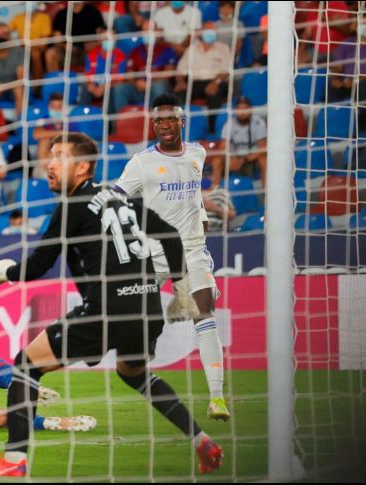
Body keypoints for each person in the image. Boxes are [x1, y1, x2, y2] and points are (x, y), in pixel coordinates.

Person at [0, 132, 222, 477]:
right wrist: (179, 286)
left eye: (59, 158)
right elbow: (170, 235)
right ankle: (201, 440)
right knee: (135, 374)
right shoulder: (118, 197)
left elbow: (37, 267)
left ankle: (14, 459)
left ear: (82, 167)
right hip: (147, 308)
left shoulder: (72, 207)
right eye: (49, 157)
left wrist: (6, 272)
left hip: (106, 308)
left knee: (25, 365)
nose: (49, 164)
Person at [115, 93, 229, 421]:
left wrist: (202, 215)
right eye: (159, 120)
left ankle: (217, 398)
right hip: (153, 256)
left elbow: (192, 192)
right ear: (153, 125)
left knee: (205, 313)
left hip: (193, 251)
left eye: (171, 119)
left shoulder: (198, 153)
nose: (165, 125)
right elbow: (116, 198)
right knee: (138, 331)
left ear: (182, 121)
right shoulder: (141, 163)